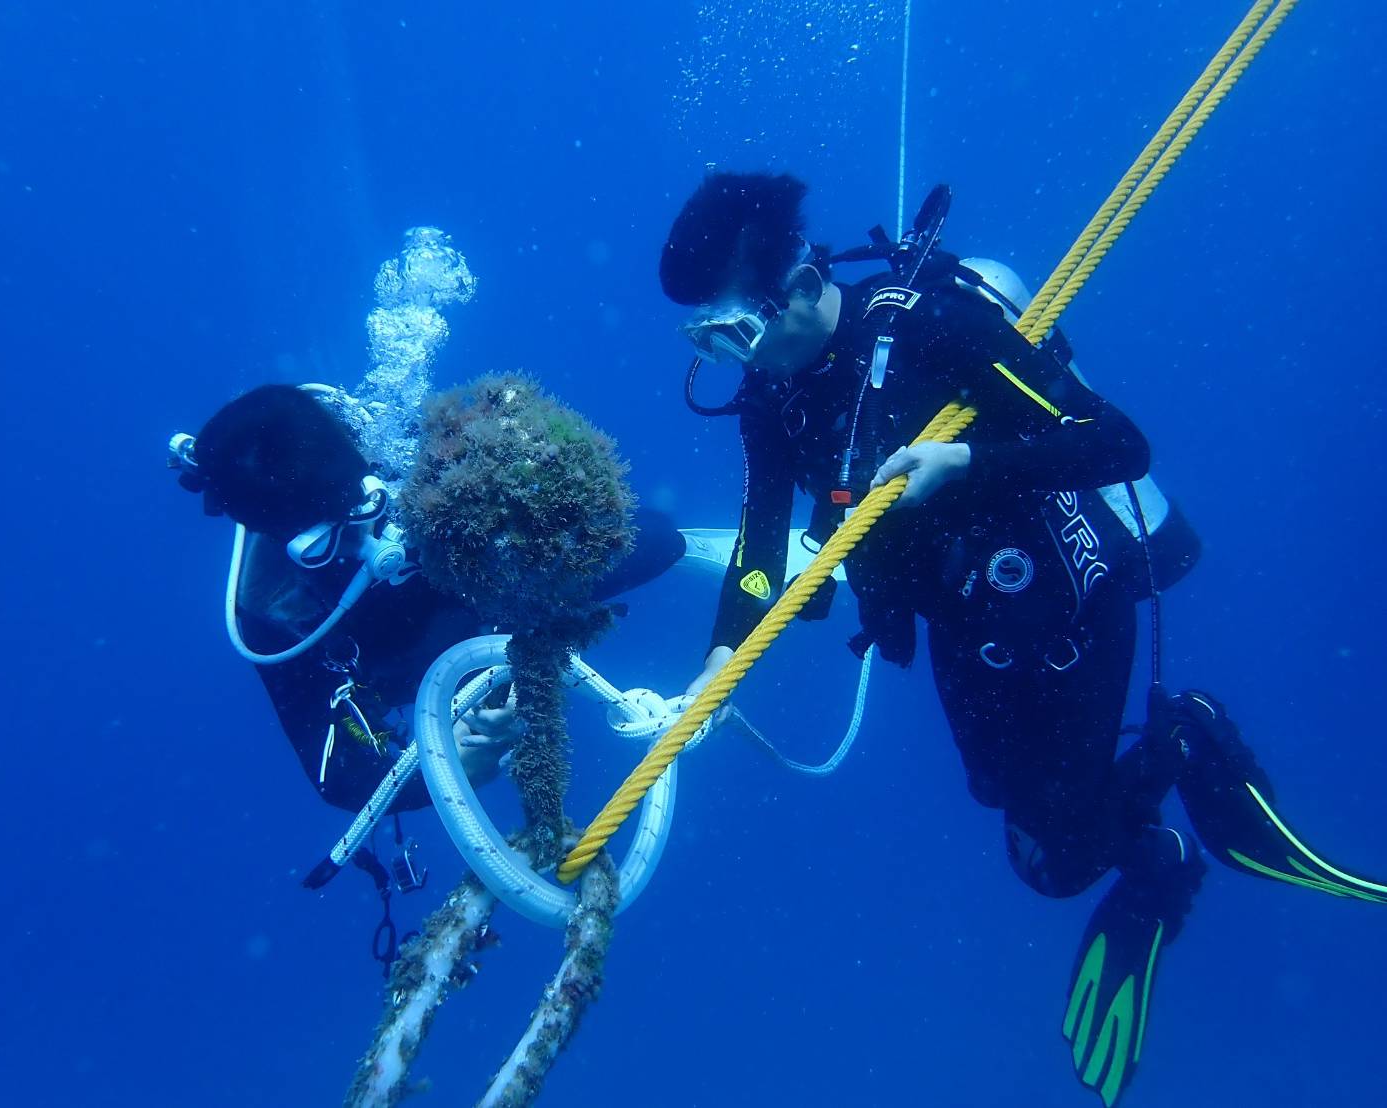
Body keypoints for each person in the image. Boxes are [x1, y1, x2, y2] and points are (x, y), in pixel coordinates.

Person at [659, 171, 1386, 1106]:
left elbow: (1116, 444)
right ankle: (1149, 851)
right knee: (1029, 840)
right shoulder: (770, 395)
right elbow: (760, 551)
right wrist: (720, 664)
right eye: (710, 341)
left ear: (797, 282)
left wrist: (963, 461)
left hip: (1062, 600)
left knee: (1066, 846)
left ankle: (1185, 741)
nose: (740, 362)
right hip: (958, 617)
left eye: (740, 332)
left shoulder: (923, 327)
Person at [170, 384, 685, 836]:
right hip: (397, 667)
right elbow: (335, 774)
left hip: (489, 602)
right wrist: (447, 766)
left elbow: (655, 542)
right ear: (286, 541)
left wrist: (522, 581)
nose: (370, 550)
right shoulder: (272, 610)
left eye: (366, 513)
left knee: (657, 540)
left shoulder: (429, 468)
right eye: (323, 545)